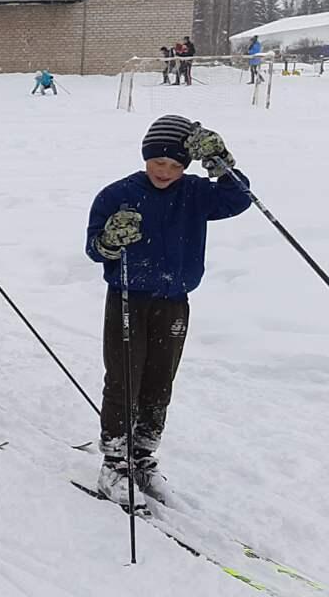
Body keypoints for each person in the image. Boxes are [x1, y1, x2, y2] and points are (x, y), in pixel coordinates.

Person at [84, 114, 250, 506]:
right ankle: (114, 462)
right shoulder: (117, 194)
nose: (166, 172)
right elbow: (94, 248)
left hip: (174, 300)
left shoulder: (195, 193)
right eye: (159, 162)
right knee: (124, 378)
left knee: (160, 380)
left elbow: (238, 198)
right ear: (146, 157)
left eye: (176, 165)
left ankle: (142, 454)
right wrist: (110, 241)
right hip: (128, 298)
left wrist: (221, 164)